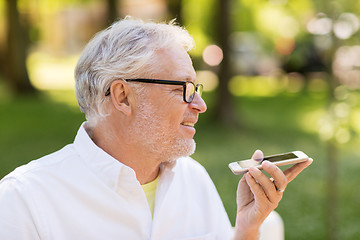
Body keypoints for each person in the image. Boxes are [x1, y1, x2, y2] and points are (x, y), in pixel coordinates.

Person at [0, 17, 312, 240]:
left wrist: (246, 230)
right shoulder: (25, 201)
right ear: (123, 96)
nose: (200, 105)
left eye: (197, 87)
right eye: (183, 89)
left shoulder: (194, 179)